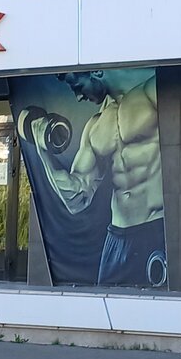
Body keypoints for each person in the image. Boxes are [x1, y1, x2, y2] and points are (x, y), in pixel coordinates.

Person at [27, 69, 165, 286]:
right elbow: (77, 199)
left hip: (156, 230)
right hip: (116, 240)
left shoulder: (154, 91)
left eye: (77, 87)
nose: (79, 97)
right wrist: (43, 151)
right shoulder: (96, 125)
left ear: (97, 71)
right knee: (104, 305)